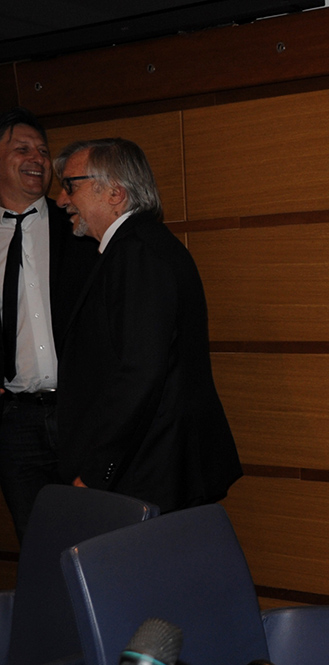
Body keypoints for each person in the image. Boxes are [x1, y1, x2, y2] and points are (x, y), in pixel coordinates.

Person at [53, 137, 241, 512]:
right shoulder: (140, 246)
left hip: (150, 469)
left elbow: (140, 372)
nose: (61, 199)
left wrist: (95, 472)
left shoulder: (137, 253)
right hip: (157, 464)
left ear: (115, 193)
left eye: (71, 185)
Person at [0, 107, 98, 541]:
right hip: (15, 422)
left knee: (99, 540)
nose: (37, 158)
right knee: (39, 545)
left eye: (42, 150)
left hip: (81, 412)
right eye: (22, 149)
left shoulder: (78, 224)